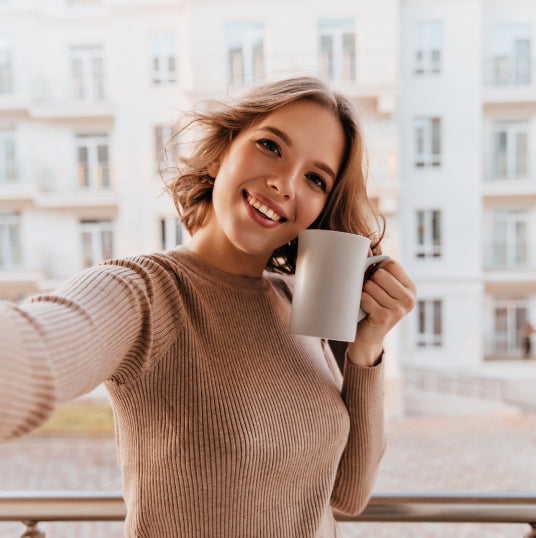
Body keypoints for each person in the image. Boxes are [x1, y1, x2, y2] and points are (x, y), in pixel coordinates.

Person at [0, 76, 416, 537]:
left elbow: (348, 494)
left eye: (315, 178)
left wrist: (368, 348)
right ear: (221, 154)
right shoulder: (146, 292)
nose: (283, 183)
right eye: (271, 146)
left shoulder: (302, 302)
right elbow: (38, 345)